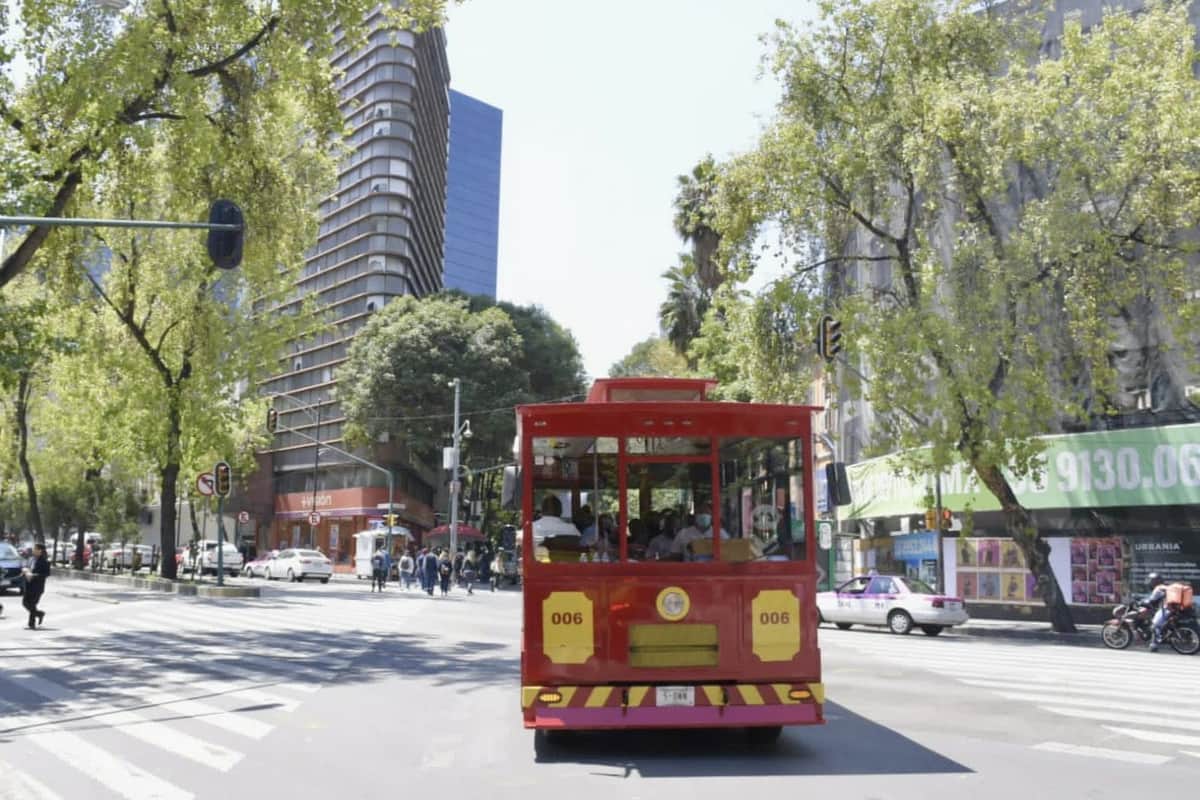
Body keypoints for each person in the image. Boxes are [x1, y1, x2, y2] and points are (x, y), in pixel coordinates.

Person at [23, 542, 50, 630]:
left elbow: (46, 574)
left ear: (40, 550)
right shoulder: (31, 559)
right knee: (25, 603)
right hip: (28, 585)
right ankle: (39, 614)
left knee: (32, 604)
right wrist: (25, 570)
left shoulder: (44, 561)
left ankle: (31, 624)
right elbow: (27, 567)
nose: (33, 550)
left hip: (37, 587)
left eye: (35, 549)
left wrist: (33, 575)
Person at [1144, 572, 1169, 652]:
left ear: (1153, 582)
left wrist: (1141, 602)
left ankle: (1154, 645)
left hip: (1167, 609)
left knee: (1155, 626)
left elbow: (1151, 600)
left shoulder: (1158, 589)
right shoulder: (1166, 587)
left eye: (1150, 581)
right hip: (1175, 609)